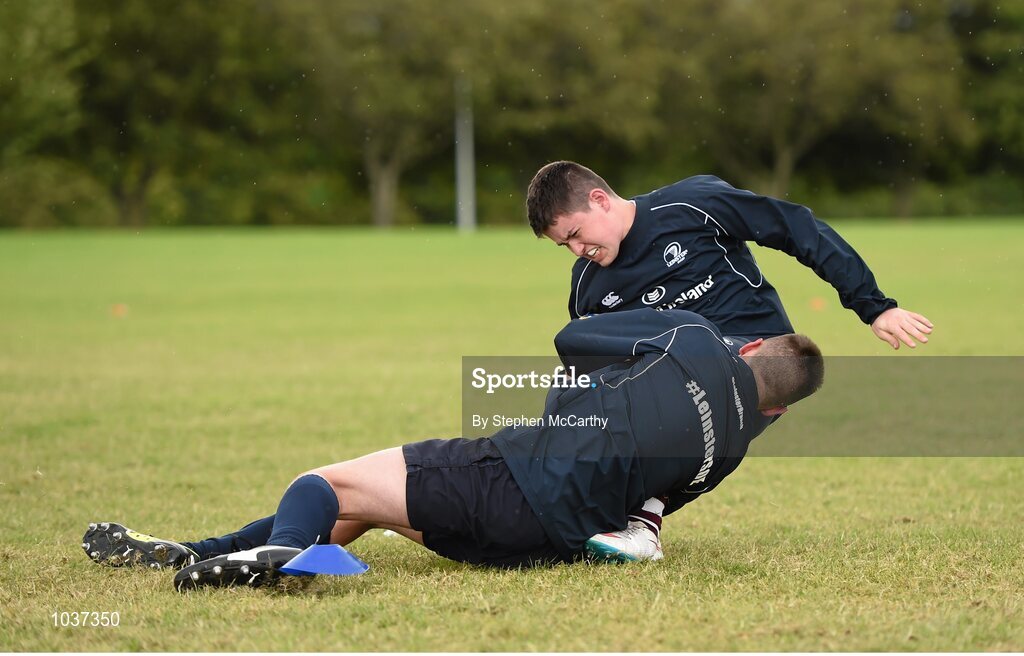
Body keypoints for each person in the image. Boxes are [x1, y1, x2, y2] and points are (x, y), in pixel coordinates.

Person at [81, 308, 824, 590]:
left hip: (510, 481)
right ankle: (192, 552)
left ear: (750, 344)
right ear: (778, 409)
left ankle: (278, 562)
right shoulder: (730, 453)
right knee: (366, 505)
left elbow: (575, 341)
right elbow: (647, 506)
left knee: (324, 483)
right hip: (543, 541)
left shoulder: (692, 335)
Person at [525, 160, 934, 561]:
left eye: (576, 234)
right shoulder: (588, 286)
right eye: (566, 245)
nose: (578, 251)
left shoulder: (690, 205)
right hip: (673, 381)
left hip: (756, 361)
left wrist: (874, 306)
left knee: (674, 390)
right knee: (585, 392)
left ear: (600, 199)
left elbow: (795, 227)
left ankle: (640, 523)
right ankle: (594, 514)